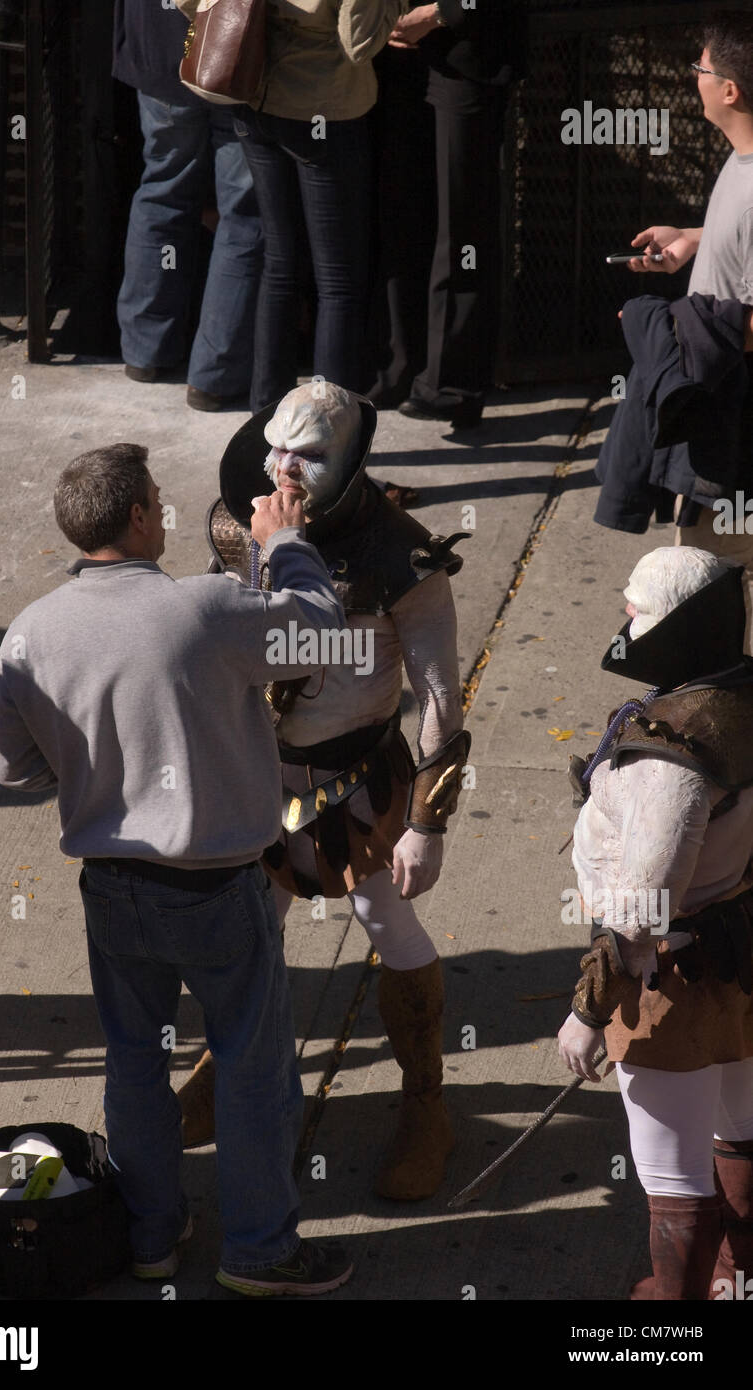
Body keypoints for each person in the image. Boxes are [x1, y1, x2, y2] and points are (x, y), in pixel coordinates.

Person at [0, 442, 356, 1297]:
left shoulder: (33, 631)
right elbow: (323, 636)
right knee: (254, 1066)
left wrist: (88, 771)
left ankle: (152, 1235)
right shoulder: (207, 609)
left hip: (111, 890)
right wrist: (285, 540)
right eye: (157, 499)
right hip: (217, 888)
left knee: (134, 1061)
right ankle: (260, 1250)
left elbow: (9, 768)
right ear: (143, 519)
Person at [178, 383, 471, 1200]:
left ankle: (427, 1108)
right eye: (276, 446)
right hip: (258, 779)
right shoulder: (246, 524)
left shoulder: (405, 561)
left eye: (306, 455)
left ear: (348, 461)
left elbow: (442, 703)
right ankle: (215, 1076)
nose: (282, 468)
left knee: (387, 921)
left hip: (359, 784)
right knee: (246, 929)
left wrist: (426, 824)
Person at [558, 546, 753, 1300]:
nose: (624, 619)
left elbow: (643, 905)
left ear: (676, 624)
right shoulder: (740, 696)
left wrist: (589, 1011)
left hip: (668, 981)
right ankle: (737, 1280)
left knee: (673, 1174)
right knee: (740, 1128)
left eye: (636, 609)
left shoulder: (674, 754)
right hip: (740, 956)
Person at [175, 0, 405, 414]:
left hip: (255, 102)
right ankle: (328, 436)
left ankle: (267, 422)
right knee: (338, 285)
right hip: (324, 111)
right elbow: (360, 42)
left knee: (280, 268)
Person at [617, 11, 753, 557]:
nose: (691, 75)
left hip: (737, 437)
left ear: (729, 89)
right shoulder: (742, 159)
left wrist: (671, 332)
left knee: (704, 590)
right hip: (724, 420)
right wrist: (693, 240)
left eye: (699, 66)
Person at [367, 0, 526, 426]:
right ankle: (400, 365)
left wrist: (435, 15)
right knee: (401, 216)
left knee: (462, 225)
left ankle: (453, 384)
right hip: (397, 57)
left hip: (463, 56)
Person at [113, 0, 263, 408]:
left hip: (159, 45)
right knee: (244, 213)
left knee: (164, 188)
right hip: (236, 46)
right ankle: (214, 376)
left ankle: (146, 351)